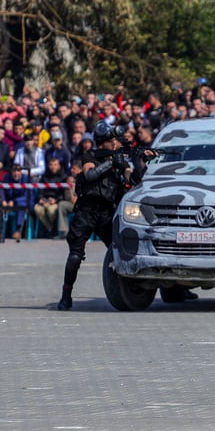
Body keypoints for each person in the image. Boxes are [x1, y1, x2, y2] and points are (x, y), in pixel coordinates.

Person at [56, 121, 152, 311]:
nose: (116, 143)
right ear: (104, 141)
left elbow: (133, 179)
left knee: (120, 252)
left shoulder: (119, 159)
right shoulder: (90, 155)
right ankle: (66, 295)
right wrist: (111, 162)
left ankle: (130, 291)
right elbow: (90, 175)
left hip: (108, 212)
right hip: (87, 211)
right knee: (75, 255)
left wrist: (141, 161)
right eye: (113, 140)